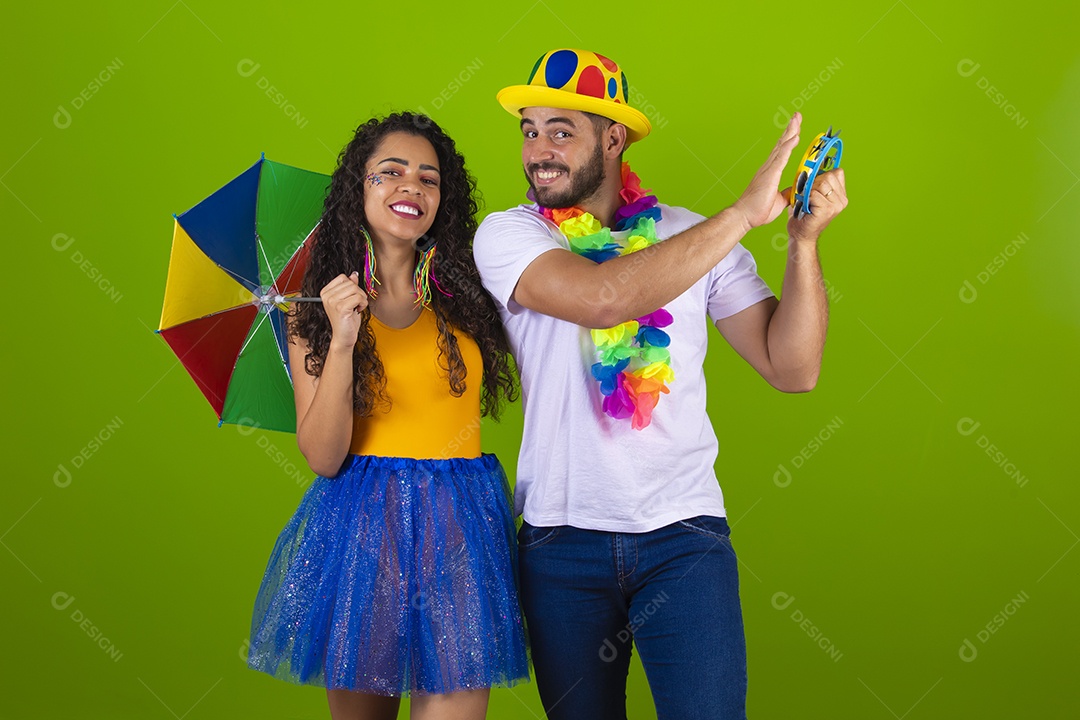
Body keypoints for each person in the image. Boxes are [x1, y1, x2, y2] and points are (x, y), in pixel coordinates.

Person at [473, 49, 848, 719]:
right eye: (529, 130)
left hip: (684, 541)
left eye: (561, 130)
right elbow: (601, 299)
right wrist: (740, 215)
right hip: (560, 547)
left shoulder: (690, 237)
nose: (538, 151)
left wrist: (802, 241)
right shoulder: (508, 235)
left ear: (613, 138)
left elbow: (793, 369)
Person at [248, 112, 528, 720]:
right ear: (360, 188)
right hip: (361, 534)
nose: (412, 187)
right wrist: (344, 340)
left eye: (429, 178)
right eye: (391, 173)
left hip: (461, 531)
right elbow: (323, 457)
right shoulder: (313, 311)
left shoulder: (473, 294)